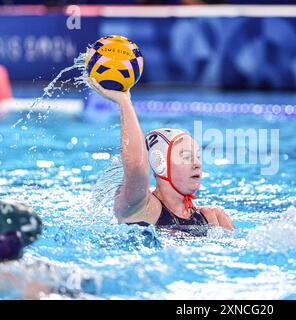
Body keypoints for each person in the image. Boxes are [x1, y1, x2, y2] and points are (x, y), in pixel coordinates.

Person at [87, 78, 234, 234]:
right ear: (159, 162)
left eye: (198, 156)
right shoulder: (141, 208)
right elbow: (136, 165)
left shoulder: (210, 218)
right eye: (186, 156)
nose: (197, 163)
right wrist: (124, 101)